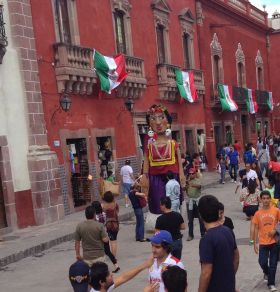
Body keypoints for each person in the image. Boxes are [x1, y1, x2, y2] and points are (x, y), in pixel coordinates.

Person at [143, 105, 185, 226]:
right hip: (155, 178)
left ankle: (176, 221)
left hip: (173, 177)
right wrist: (145, 177)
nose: (158, 122)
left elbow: (179, 162)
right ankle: (159, 223)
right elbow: (146, 162)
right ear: (149, 123)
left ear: (167, 121)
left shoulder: (173, 143)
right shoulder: (150, 146)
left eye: (161, 117)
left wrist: (181, 174)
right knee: (157, 202)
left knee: (173, 201)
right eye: (153, 118)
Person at [198, 195, 239, 292]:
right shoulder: (228, 230)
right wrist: (229, 280)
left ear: (200, 215)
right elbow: (236, 258)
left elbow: (206, 272)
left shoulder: (207, 239)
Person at [251, 191, 280, 291]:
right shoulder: (258, 213)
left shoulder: (276, 210)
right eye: (264, 198)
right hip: (263, 242)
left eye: (268, 198)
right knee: (262, 262)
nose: (266, 200)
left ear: (270, 199)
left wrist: (275, 230)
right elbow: (255, 228)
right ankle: (267, 273)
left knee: (273, 264)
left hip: (274, 242)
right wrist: (254, 242)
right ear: (261, 200)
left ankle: (271, 283)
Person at [89, 257, 154, 292]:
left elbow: (123, 277)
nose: (112, 274)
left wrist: (144, 265)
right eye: (108, 274)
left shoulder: (100, 288)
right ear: (101, 282)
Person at [92, 201, 120, 273]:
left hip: (98, 236)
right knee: (108, 252)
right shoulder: (104, 214)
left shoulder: (95, 218)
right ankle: (116, 265)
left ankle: (101, 269)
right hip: (105, 234)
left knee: (99, 252)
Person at [186, 168, 205, 241]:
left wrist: (192, 184)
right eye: (190, 174)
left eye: (192, 173)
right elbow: (185, 189)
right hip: (190, 202)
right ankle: (190, 235)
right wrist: (185, 186)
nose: (191, 175)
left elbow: (199, 186)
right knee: (190, 220)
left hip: (197, 201)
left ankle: (203, 234)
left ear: (195, 174)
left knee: (201, 219)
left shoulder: (198, 180)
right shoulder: (188, 181)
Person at [102, 191, 119, 258]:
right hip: (115, 224)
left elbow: (103, 214)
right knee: (114, 241)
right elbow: (117, 212)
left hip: (108, 224)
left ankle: (112, 256)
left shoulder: (104, 206)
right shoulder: (115, 205)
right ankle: (114, 256)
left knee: (111, 240)